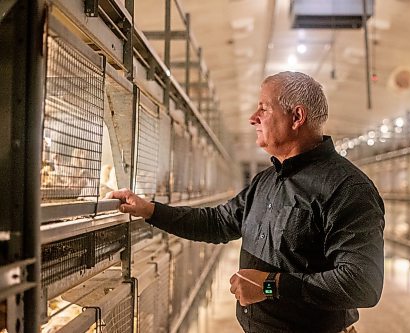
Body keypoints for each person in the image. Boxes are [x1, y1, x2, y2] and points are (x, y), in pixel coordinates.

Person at [106, 71, 385, 333]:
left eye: (264, 108)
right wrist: (149, 210)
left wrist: (269, 286)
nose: (253, 117)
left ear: (297, 116)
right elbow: (219, 223)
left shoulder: (347, 188)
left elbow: (362, 283)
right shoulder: (264, 182)